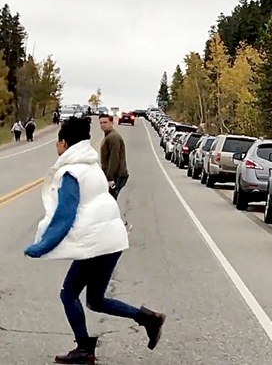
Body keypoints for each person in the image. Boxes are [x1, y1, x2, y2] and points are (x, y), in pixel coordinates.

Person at [23, 117, 165, 364]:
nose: (56, 145)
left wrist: (40, 246)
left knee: (68, 295)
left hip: (97, 243)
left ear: (64, 143)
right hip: (111, 240)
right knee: (96, 300)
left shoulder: (71, 172)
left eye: (57, 140)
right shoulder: (91, 166)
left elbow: (65, 214)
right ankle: (149, 319)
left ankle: (84, 349)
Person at [98, 114, 129, 200]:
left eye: (105, 122)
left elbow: (114, 158)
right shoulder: (108, 136)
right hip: (114, 175)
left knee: (109, 201)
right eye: (101, 123)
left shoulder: (113, 137)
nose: (103, 125)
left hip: (116, 175)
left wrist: (110, 178)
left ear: (112, 122)